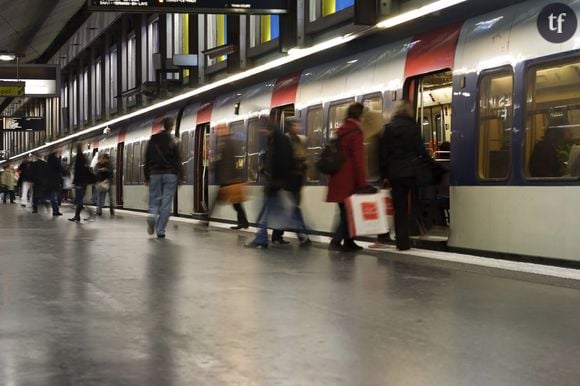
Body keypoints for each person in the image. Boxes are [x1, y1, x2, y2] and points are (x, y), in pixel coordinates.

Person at [379, 100, 430, 251]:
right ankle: (419, 229)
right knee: (413, 202)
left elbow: (383, 155)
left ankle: (402, 242)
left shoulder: (388, 129)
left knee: (399, 208)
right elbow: (421, 150)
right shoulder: (413, 128)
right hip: (411, 172)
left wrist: (384, 176)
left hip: (395, 174)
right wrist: (430, 164)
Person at [245, 118, 295, 249]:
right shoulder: (276, 141)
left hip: (274, 184)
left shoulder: (279, 142)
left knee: (266, 213)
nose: (263, 132)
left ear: (270, 129)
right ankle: (302, 232)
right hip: (275, 184)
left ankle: (261, 239)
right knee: (273, 212)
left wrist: (275, 179)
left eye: (265, 130)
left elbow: (281, 163)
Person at [326, 102, 369, 252]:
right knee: (348, 213)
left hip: (337, 178)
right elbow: (359, 160)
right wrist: (363, 183)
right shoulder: (355, 132)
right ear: (360, 115)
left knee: (346, 212)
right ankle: (336, 241)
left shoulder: (341, 130)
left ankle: (349, 242)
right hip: (348, 179)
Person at [270, 117, 311, 246]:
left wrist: (305, 163)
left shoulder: (301, 140)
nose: (297, 127)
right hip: (288, 179)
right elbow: (286, 159)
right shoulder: (285, 140)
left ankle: (277, 235)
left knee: (289, 208)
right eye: (295, 125)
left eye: (298, 124)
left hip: (298, 178)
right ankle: (302, 235)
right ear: (289, 126)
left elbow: (304, 156)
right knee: (293, 208)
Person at [144, 116, 181, 238]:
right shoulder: (174, 140)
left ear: (163, 125)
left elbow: (147, 159)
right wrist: (179, 177)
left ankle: (152, 216)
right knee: (166, 204)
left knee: (154, 201)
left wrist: (146, 176)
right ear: (172, 126)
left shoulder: (153, 139)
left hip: (154, 174)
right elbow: (177, 160)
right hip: (170, 175)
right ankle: (160, 230)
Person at [209, 124, 249, 230]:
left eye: (220, 129)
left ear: (225, 130)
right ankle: (244, 222)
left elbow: (232, 160)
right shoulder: (224, 142)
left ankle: (206, 219)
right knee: (236, 203)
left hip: (229, 178)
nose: (218, 132)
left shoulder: (228, 142)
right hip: (228, 178)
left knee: (221, 200)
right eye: (218, 130)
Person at [69, 144, 96, 222]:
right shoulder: (83, 158)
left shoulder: (78, 159)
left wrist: (76, 183)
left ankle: (91, 214)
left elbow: (78, 173)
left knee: (79, 200)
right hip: (83, 182)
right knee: (79, 200)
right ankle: (77, 216)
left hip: (80, 183)